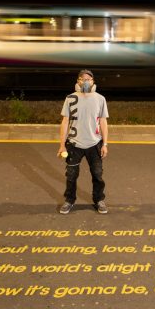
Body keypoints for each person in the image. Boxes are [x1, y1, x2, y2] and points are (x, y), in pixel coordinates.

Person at [57, 69, 109, 214]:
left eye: (88, 79)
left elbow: (103, 122)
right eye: (82, 79)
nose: (85, 82)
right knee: (71, 175)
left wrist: (105, 144)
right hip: (74, 144)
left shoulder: (100, 99)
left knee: (97, 175)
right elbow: (65, 122)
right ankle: (69, 200)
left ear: (93, 82)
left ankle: (99, 200)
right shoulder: (70, 98)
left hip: (95, 144)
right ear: (77, 82)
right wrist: (62, 146)